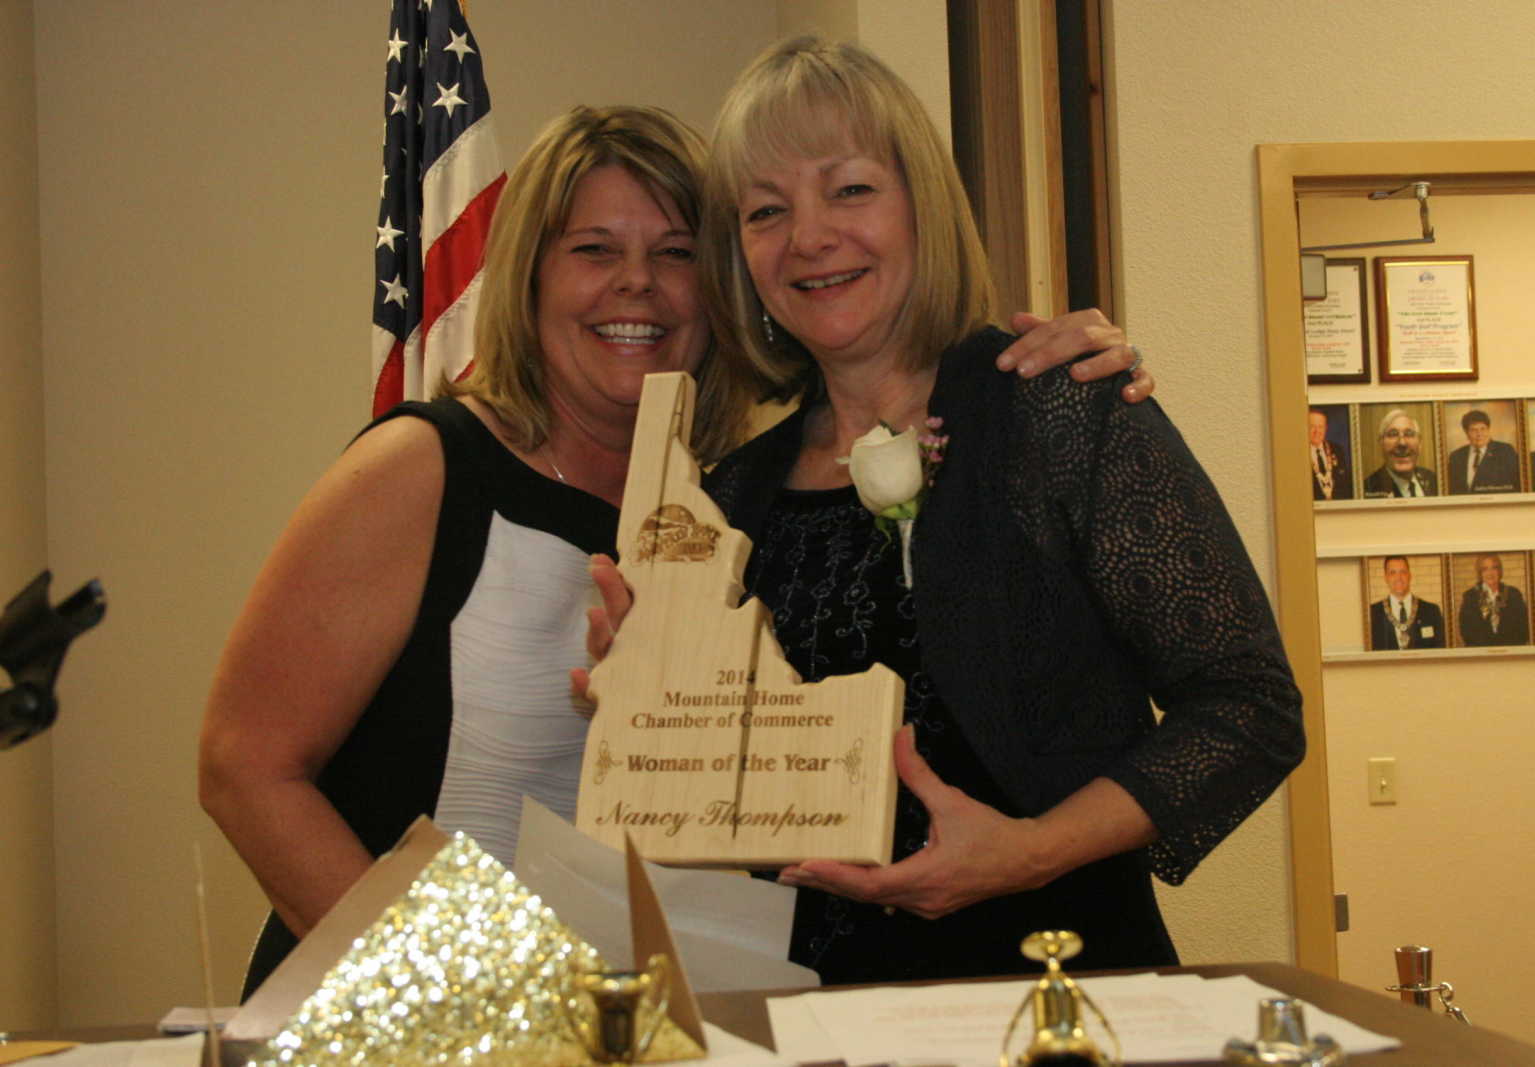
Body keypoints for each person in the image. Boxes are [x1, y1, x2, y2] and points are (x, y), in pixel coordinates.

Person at [198, 105, 1153, 998]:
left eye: (676, 253)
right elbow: (243, 766)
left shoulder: (737, 503)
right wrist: (444, 1005)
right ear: (529, 278)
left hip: (622, 1017)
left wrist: (1077, 366)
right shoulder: (423, 467)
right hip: (408, 1018)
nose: (637, 284)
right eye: (593, 250)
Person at [592, 37, 1303, 984]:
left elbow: (1250, 708)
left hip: (1050, 992)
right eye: (766, 211)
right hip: (805, 1012)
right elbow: (729, 791)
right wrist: (649, 695)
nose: (809, 236)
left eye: (849, 189)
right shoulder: (730, 497)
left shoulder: (1056, 410)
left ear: (922, 207)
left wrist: (1034, 849)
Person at [1367, 556, 1444, 650]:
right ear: (1386, 578)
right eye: (1392, 573)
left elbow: (1441, 649)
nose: (1398, 578)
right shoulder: (1372, 613)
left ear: (1409, 575)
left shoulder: (1431, 611)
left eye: (1403, 572)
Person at [1457, 552, 1529, 646]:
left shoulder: (1513, 594)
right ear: (1480, 573)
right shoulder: (1471, 596)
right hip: (1481, 651)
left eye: (1494, 568)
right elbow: (1467, 632)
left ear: (1499, 571)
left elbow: (1523, 629)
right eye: (1485, 569)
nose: (1490, 573)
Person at [1362, 409, 1437, 498]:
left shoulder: (1433, 479)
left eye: (1409, 434)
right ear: (1381, 443)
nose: (1402, 443)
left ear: (1420, 443)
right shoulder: (1367, 490)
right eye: (1393, 434)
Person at [1445, 409, 1520, 494]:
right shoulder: (1456, 456)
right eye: (1473, 430)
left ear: (1488, 429)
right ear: (1466, 432)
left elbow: (1514, 486)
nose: (1479, 434)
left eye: (1483, 429)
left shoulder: (1505, 451)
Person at [1309, 408, 1351, 501]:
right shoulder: (1299, 454)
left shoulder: (1337, 450)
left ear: (1326, 428)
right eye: (1312, 426)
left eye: (1320, 427)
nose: (1317, 431)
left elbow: (1345, 485)